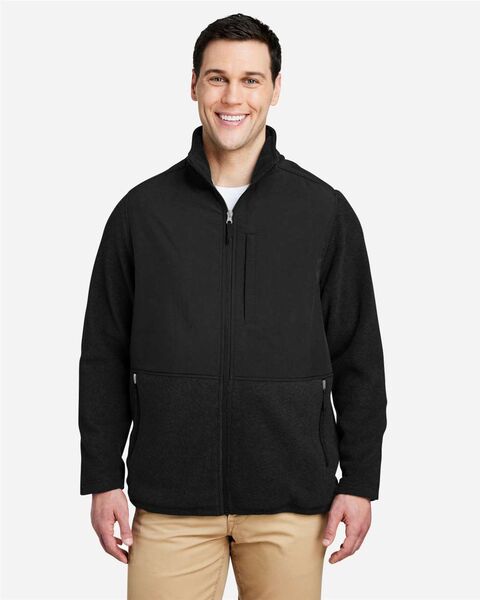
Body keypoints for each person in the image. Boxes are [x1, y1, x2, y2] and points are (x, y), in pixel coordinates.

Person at [78, 12, 388, 600]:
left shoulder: (323, 212)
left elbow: (358, 356)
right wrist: (101, 473)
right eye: (217, 78)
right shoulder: (142, 213)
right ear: (193, 84)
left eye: (251, 80)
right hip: (169, 501)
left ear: (276, 88)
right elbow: (103, 352)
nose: (232, 97)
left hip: (292, 501)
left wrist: (360, 479)